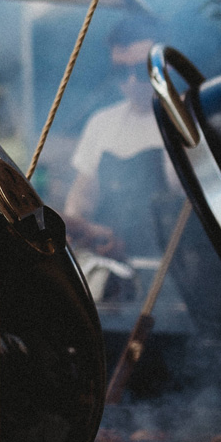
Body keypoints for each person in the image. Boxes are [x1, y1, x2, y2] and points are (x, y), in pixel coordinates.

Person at [63, 15, 175, 260]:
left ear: (163, 66)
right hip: (116, 265)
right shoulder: (102, 123)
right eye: (122, 72)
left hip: (174, 265)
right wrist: (79, 228)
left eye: (142, 70)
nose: (133, 81)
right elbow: (83, 194)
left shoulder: (187, 122)